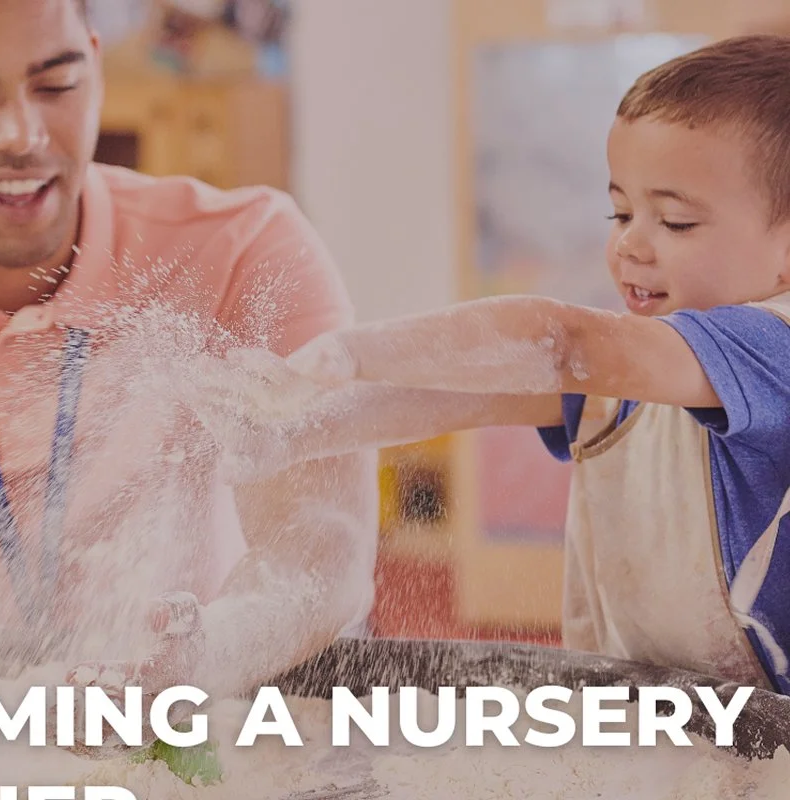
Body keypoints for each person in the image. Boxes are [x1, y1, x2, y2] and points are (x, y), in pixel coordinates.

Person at [215, 34, 790, 696]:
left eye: (676, 223)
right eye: (622, 211)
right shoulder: (630, 371)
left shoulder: (771, 347)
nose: (631, 243)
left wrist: (349, 352)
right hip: (662, 727)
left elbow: (557, 341)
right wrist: (295, 426)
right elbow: (459, 395)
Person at [0, 0, 377, 724]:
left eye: (55, 86)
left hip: (192, 739)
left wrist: (201, 660)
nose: (20, 134)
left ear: (98, 69)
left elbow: (324, 547)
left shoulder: (243, 251)